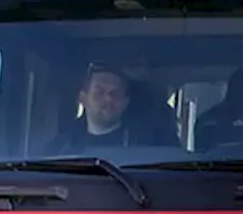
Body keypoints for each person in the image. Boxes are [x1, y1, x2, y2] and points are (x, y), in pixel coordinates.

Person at [47, 64, 178, 153]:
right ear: (83, 98)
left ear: (126, 102)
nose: (108, 99)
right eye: (99, 92)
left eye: (116, 93)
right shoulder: (61, 148)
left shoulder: (151, 142)